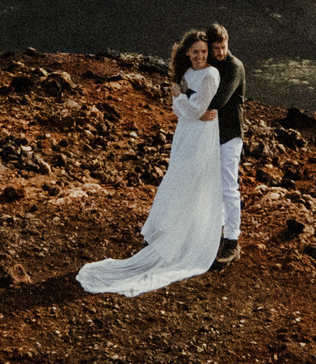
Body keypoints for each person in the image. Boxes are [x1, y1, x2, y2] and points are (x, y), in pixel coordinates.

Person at [75, 30, 226, 297]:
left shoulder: (211, 75)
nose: (200, 56)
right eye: (195, 52)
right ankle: (171, 233)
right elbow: (182, 111)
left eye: (203, 51)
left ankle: (190, 238)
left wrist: (181, 98)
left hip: (202, 136)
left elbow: (193, 109)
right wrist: (186, 106)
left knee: (192, 181)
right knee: (176, 179)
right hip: (186, 132)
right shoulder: (187, 73)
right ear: (187, 53)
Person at [206, 22, 246, 263]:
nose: (221, 52)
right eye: (216, 48)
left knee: (229, 187)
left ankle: (233, 240)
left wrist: (187, 96)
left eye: (223, 46)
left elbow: (219, 100)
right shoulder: (212, 65)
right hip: (213, 135)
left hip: (230, 135)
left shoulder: (234, 67)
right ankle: (219, 232)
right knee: (215, 185)